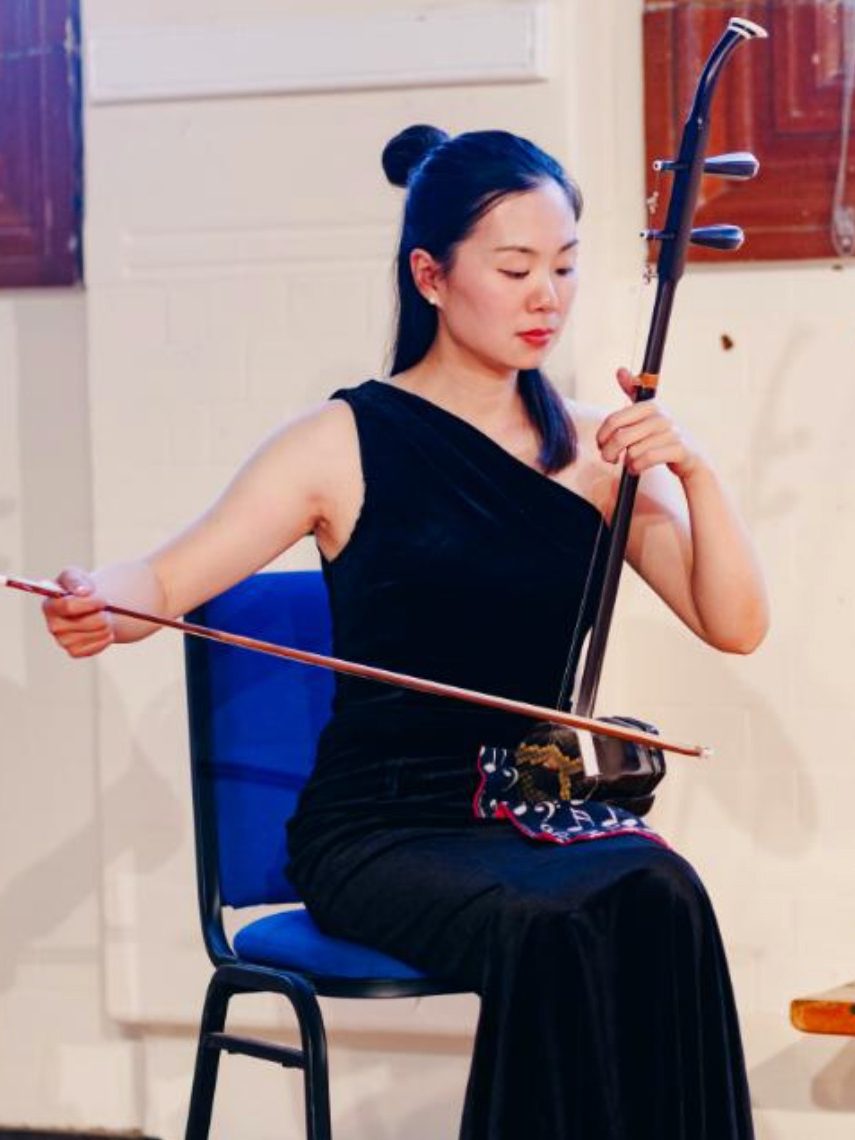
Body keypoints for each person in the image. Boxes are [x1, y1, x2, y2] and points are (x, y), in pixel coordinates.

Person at [43, 124, 768, 1139]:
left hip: (527, 809)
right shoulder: (340, 442)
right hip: (379, 831)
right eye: (514, 269)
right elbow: (164, 577)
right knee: (551, 925)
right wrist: (100, 601)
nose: (546, 297)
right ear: (430, 275)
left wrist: (693, 469)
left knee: (661, 889)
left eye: (563, 267)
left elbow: (735, 623)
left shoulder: (592, 453)